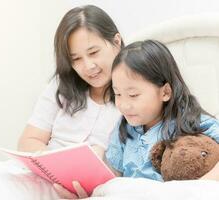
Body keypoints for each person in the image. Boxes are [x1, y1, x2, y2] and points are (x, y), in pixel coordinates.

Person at [56, 40, 219, 199]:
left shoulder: (189, 119)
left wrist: (199, 187)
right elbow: (114, 177)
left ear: (165, 92)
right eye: (117, 94)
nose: (124, 105)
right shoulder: (123, 129)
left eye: (133, 95)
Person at [17, 4, 123, 159]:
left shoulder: (136, 91)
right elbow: (29, 141)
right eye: (76, 59)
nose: (88, 66)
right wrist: (58, 164)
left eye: (93, 52)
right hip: (49, 171)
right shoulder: (61, 85)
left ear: (116, 42)